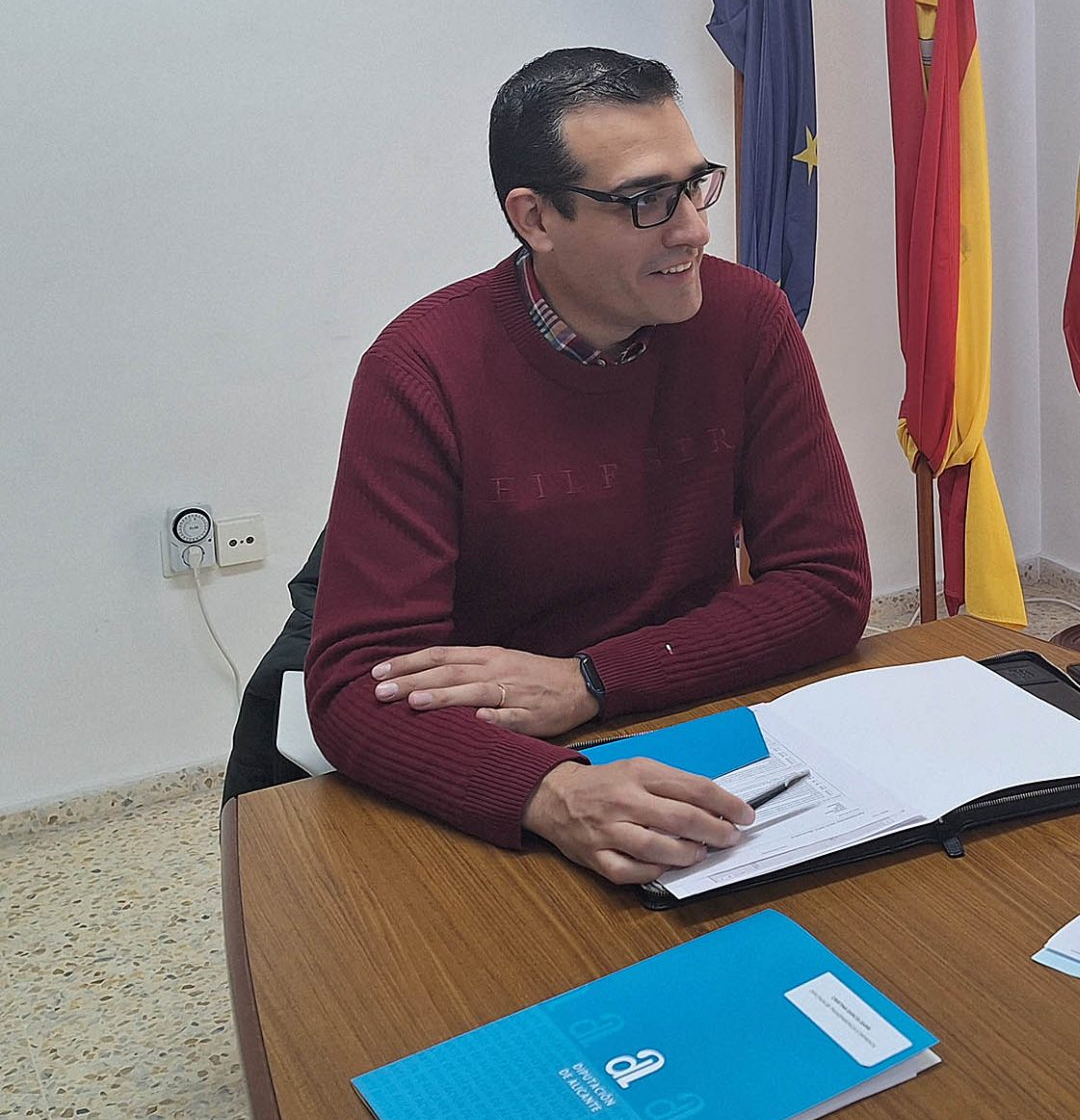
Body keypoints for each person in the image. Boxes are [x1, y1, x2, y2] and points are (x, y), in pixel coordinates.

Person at [305, 47, 870, 885]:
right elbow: (355, 686)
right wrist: (551, 792)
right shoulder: (420, 369)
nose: (694, 229)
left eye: (694, 185)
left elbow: (828, 586)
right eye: (646, 200)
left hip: (683, 708)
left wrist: (592, 680)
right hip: (504, 761)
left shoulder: (749, 318)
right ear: (536, 218)